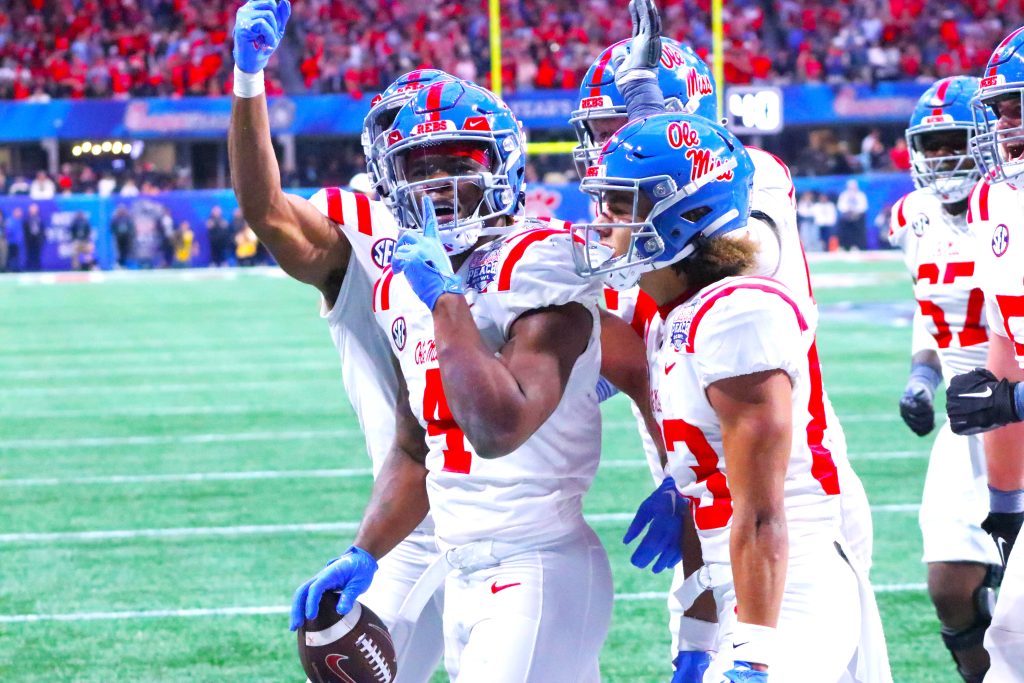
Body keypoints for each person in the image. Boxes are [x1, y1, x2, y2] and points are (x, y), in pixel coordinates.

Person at [569, 10, 879, 679]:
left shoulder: (744, 216)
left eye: (620, 132)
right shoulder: (666, 288)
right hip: (714, 509)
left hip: (786, 509)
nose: (605, 151)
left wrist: (751, 653)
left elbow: (740, 238)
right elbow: (613, 353)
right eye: (601, 133)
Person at [291, 76, 624, 682]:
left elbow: (497, 428)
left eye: (456, 163)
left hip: (537, 562)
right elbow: (418, 448)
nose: (434, 185)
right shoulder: (400, 285)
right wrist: (363, 550)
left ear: (503, 166)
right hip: (462, 567)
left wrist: (447, 298)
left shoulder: (540, 262)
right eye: (416, 167)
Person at [229, 5, 454, 678]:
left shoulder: (523, 238)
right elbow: (267, 211)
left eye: (456, 154)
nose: (439, 172)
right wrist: (248, 77)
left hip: (521, 524)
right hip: (418, 524)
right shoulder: (367, 232)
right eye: (420, 156)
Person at [889, 76, 1002, 683]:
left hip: (1013, 404)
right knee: (949, 586)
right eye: (930, 145)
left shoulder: (1010, 207)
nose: (941, 157)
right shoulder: (913, 217)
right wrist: (922, 378)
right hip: (966, 419)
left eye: (953, 140)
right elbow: (928, 310)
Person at [945, 26, 1024, 681]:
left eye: (1017, 105)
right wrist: (1007, 496)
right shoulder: (992, 198)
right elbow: (1006, 341)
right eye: (999, 108)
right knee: (1014, 637)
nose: (1003, 123)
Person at [837, 179, 868, 251]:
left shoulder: (861, 195)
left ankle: (857, 246)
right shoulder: (844, 195)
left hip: (857, 217)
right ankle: (844, 246)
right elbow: (840, 206)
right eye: (850, 187)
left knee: (858, 226)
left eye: (853, 187)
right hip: (846, 217)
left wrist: (855, 211)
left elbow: (864, 207)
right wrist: (848, 210)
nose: (852, 189)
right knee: (843, 227)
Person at [110, 204, 135, 268]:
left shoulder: (127, 218)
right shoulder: (115, 218)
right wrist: (115, 234)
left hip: (126, 238)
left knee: (126, 251)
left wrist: (130, 235)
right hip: (118, 237)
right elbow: (112, 227)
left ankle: (125, 264)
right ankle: (119, 264)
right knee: (118, 251)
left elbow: (131, 227)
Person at [22, 203, 44, 272]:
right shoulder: (26, 219)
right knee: (29, 255)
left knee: (37, 255)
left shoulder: (39, 218)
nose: (34, 210)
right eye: (32, 209)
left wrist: (42, 238)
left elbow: (42, 229)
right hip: (29, 239)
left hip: (37, 239)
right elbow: (25, 230)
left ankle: (37, 269)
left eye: (35, 209)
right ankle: (29, 269)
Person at [6, 207, 22, 272]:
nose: (20, 214)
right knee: (10, 256)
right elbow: (8, 231)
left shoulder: (18, 221)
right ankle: (9, 269)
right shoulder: (10, 221)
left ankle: (15, 268)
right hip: (11, 242)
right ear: (14, 212)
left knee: (16, 256)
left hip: (17, 242)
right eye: (18, 212)